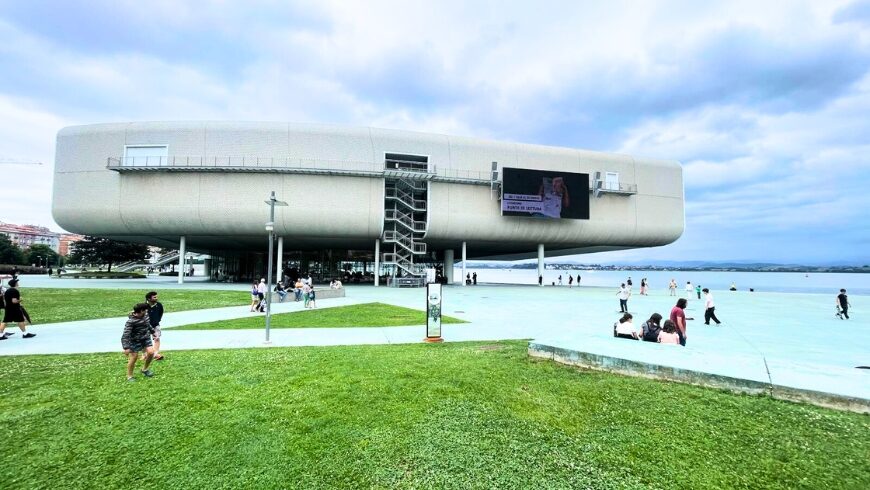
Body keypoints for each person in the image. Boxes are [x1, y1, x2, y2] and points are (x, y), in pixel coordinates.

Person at [121, 302, 155, 381]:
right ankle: (129, 376)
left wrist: (153, 332)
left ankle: (145, 369)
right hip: (134, 340)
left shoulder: (145, 315)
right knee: (134, 357)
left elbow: (148, 324)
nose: (146, 312)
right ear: (141, 311)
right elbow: (126, 334)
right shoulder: (130, 322)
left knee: (151, 352)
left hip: (146, 338)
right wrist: (126, 347)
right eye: (145, 310)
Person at [145, 291, 165, 360]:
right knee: (145, 340)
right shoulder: (144, 306)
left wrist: (157, 320)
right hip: (145, 326)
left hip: (156, 325)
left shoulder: (159, 305)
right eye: (154, 297)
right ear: (149, 299)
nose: (156, 298)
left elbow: (161, 313)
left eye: (156, 297)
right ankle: (145, 355)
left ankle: (155, 354)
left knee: (157, 339)